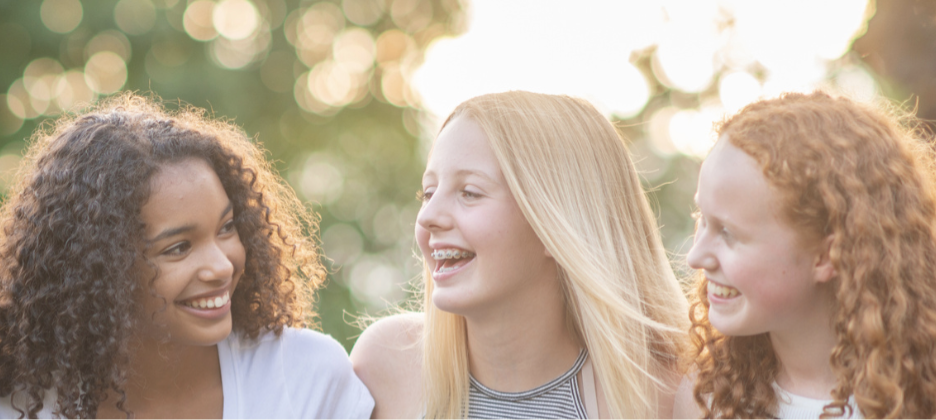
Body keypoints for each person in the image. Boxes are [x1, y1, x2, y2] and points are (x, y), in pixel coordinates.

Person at [0, 94, 374, 418]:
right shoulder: (20, 403)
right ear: (98, 271)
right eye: (178, 248)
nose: (222, 266)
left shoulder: (307, 377)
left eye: (227, 227)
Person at [351, 91, 689, 419]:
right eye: (428, 192)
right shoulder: (386, 366)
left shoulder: (667, 397)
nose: (427, 216)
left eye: (469, 192)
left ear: (556, 226)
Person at [678, 92, 936, 418]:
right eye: (701, 219)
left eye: (728, 232)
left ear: (827, 255)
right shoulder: (706, 397)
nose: (695, 256)